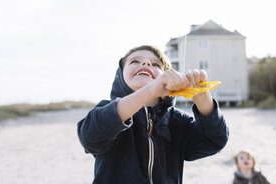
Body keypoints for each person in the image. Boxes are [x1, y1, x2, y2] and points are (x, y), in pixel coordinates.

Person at [77, 45, 229, 184]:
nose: (146, 64)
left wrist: (202, 95)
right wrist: (149, 90)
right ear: (120, 75)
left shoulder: (177, 121)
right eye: (135, 61)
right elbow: (89, 136)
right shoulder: (107, 109)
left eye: (156, 64)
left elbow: (214, 141)